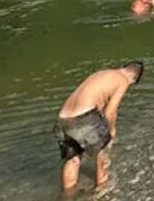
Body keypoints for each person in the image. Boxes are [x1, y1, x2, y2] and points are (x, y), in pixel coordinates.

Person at [54, 61, 144, 190]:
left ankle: (68, 200)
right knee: (103, 152)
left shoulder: (102, 73)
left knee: (73, 160)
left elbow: (96, 101)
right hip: (84, 117)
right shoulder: (122, 80)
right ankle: (102, 192)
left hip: (63, 118)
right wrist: (111, 131)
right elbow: (110, 112)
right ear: (133, 77)